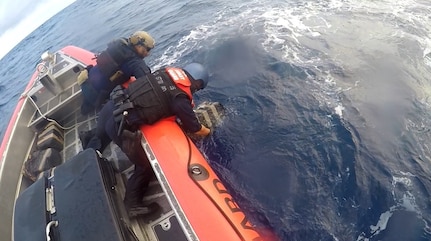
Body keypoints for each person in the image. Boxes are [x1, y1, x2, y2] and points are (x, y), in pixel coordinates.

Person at [86, 63, 211, 217]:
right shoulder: (180, 97)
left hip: (110, 107)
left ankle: (88, 144)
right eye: (198, 88)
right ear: (198, 83)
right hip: (119, 125)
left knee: (98, 139)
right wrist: (209, 131)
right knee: (145, 165)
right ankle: (133, 206)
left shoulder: (164, 73)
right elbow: (195, 128)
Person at [77, 30, 155, 115]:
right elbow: (148, 83)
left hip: (85, 81)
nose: (148, 53)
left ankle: (85, 109)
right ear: (139, 46)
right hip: (96, 96)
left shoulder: (119, 43)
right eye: (147, 49)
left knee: (86, 107)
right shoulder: (135, 63)